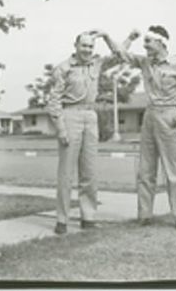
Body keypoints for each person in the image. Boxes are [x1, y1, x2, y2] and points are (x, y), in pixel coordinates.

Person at [122, 25, 176, 233]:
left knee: (173, 172)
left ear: (161, 43)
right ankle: (144, 215)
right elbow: (121, 54)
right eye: (144, 43)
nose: (145, 46)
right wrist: (129, 38)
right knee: (145, 170)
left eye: (148, 42)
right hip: (149, 117)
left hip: (169, 117)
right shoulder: (145, 62)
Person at [47, 30, 120, 234]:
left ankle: (88, 216)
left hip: (90, 116)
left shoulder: (96, 64)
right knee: (66, 173)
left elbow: (120, 55)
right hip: (70, 116)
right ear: (76, 46)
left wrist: (106, 36)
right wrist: (60, 128)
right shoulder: (63, 68)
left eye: (91, 46)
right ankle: (62, 219)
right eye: (84, 46)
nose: (87, 50)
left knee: (90, 171)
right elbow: (53, 101)